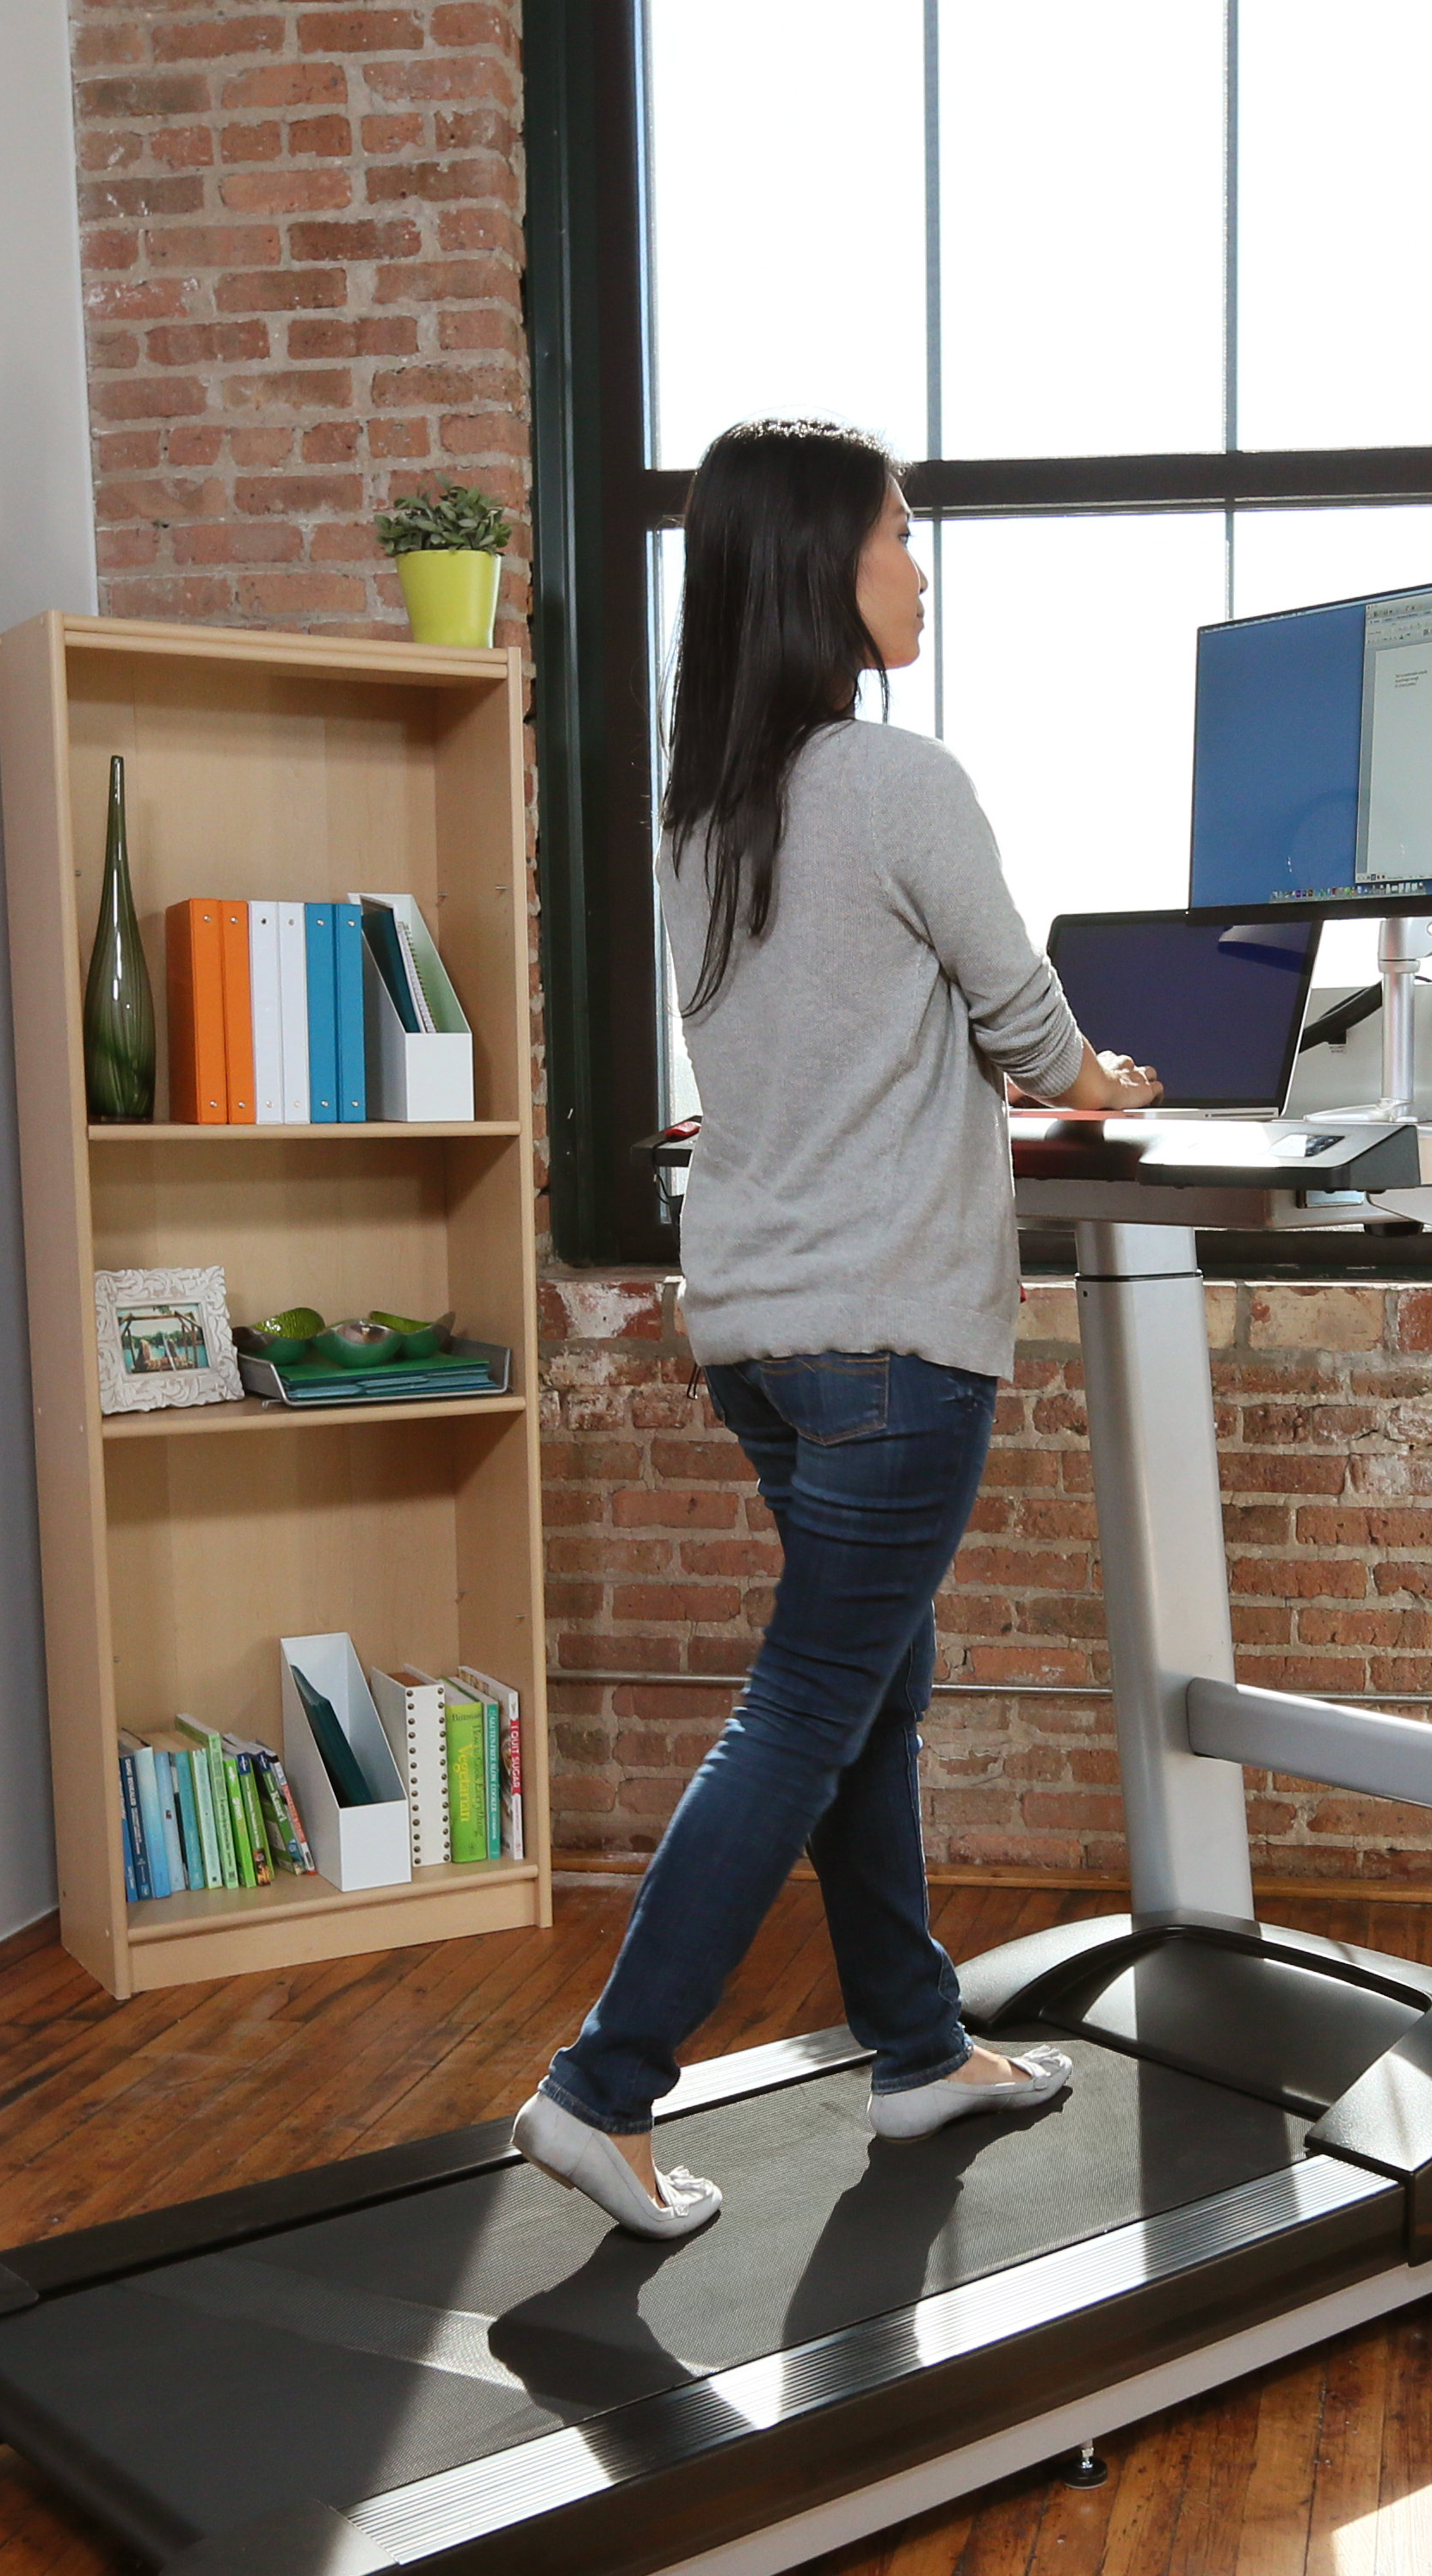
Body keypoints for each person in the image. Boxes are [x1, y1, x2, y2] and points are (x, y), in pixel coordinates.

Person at [513, 418, 1162, 2237]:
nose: (919, 566)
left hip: (761, 1337)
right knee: (810, 1702)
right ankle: (599, 2089)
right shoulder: (893, 778)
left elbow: (830, 1037)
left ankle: (915, 2045)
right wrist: (1102, 1079)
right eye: (898, 534)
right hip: (890, 1329)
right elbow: (1027, 1024)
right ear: (821, 567)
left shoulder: (705, 812)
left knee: (872, 1690)